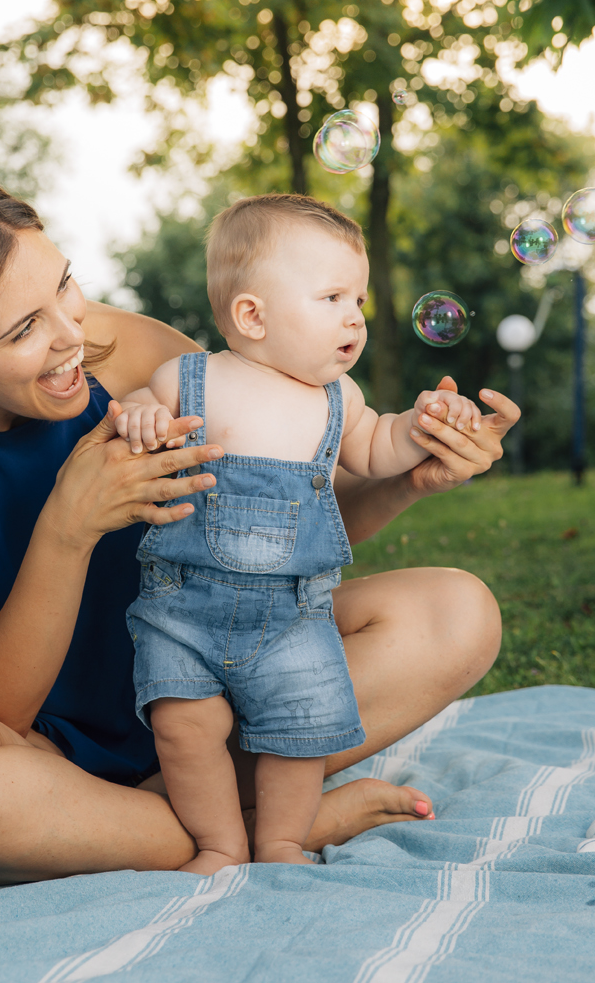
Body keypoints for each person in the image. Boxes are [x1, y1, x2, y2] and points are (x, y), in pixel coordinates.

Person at [0, 178, 515, 888]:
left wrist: (409, 479)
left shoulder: (129, 354)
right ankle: (271, 824)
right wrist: (68, 526)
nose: (70, 336)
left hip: (191, 685)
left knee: (455, 613)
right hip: (20, 745)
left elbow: (273, 526)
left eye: (65, 286)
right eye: (24, 329)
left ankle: (133, 826)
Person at [117, 194, 485, 873]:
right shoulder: (188, 379)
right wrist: (137, 417)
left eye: (361, 302)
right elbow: (137, 409)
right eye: (332, 297)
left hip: (294, 617)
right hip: (183, 611)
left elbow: (378, 448)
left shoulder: (338, 401)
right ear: (251, 315)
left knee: (300, 734)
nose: (354, 317)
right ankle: (219, 843)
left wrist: (429, 424)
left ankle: (283, 840)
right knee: (182, 725)